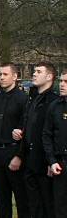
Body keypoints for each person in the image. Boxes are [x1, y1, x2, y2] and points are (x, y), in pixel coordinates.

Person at [0, 63, 29, 218]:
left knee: (21, 200)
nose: (1, 77)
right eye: (0, 74)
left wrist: (19, 156)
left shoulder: (23, 99)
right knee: (1, 200)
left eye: (5, 74)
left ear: (15, 76)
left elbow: (26, 129)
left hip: (14, 151)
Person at [17, 62, 59, 218]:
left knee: (48, 205)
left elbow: (54, 133)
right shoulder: (33, 99)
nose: (34, 74)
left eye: (38, 71)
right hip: (30, 160)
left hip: (44, 161)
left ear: (49, 76)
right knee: (32, 205)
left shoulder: (54, 101)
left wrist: (51, 160)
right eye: (34, 71)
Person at [43, 69, 67, 218]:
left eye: (66, 82)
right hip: (60, 164)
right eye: (61, 81)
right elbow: (47, 135)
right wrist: (51, 161)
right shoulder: (55, 106)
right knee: (59, 206)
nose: (62, 84)